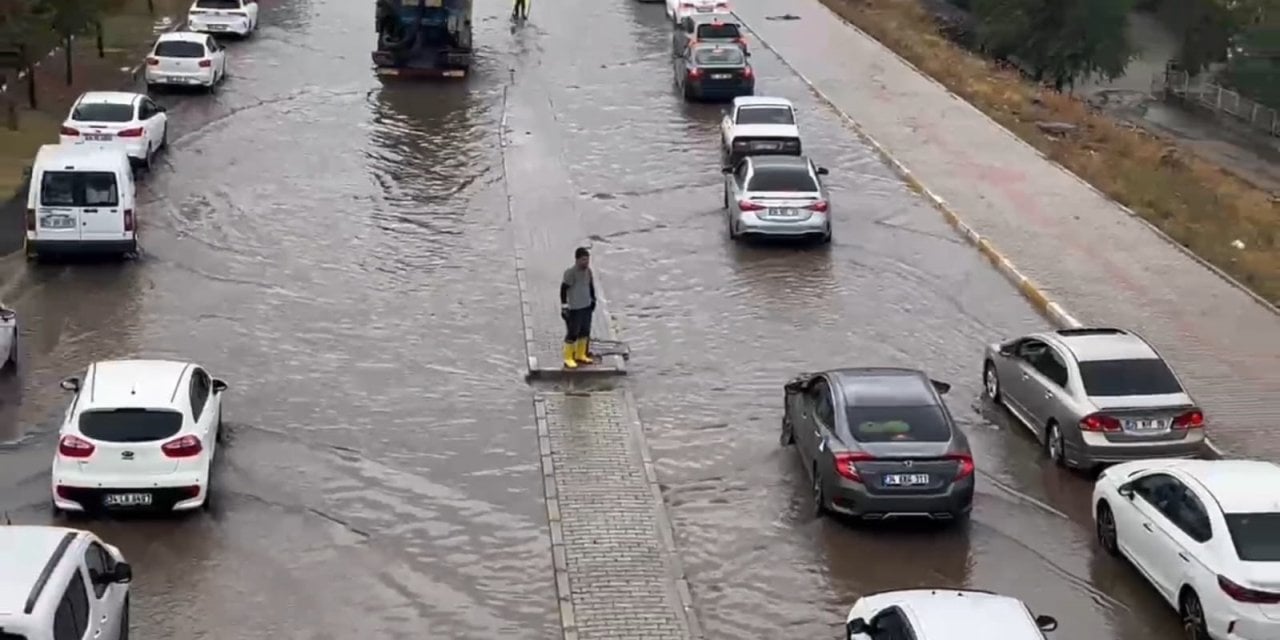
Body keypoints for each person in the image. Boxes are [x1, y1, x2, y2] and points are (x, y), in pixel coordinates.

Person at [560, 247, 596, 369]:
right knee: (572, 333)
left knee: (585, 331)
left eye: (587, 260)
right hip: (575, 308)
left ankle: (581, 354)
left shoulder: (588, 271)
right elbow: (563, 289)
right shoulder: (570, 273)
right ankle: (568, 357)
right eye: (583, 260)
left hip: (586, 306)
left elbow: (590, 286)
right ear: (577, 260)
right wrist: (564, 306)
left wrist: (593, 299)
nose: (586, 262)